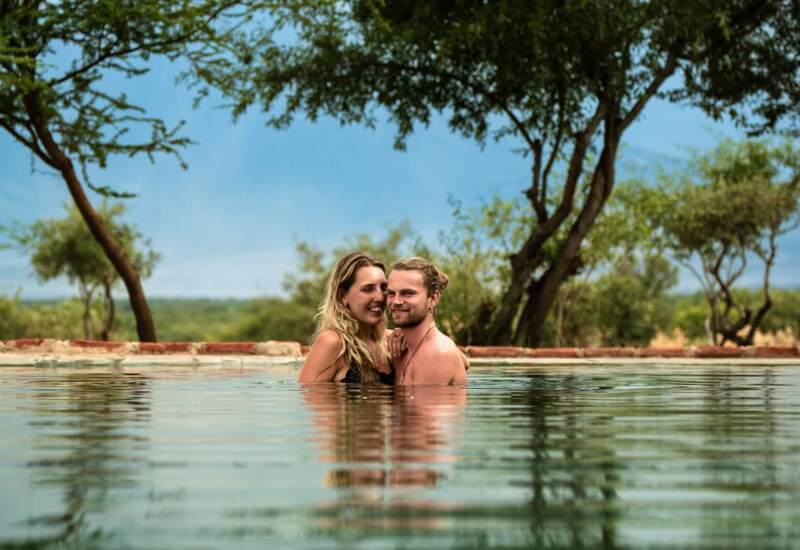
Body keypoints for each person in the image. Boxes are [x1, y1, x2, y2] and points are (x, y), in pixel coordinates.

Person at [298, 252, 394, 383]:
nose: (380, 297)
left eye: (383, 288)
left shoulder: (390, 341)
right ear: (342, 296)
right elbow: (309, 396)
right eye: (368, 289)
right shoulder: (332, 342)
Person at [386, 257, 468, 385]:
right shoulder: (404, 348)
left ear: (433, 298)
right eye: (391, 293)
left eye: (407, 293)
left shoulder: (437, 354)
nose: (396, 301)